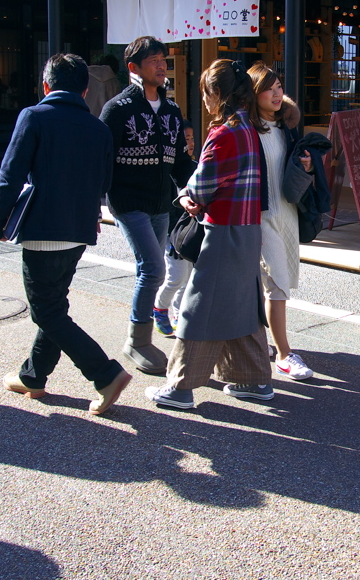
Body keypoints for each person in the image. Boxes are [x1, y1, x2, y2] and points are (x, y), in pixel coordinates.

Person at [0, 53, 131, 414]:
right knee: (54, 305)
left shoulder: (33, 116)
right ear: (84, 89)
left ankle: (105, 373)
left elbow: (11, 172)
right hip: (80, 230)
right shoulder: (99, 128)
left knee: (47, 312)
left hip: (42, 229)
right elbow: (105, 182)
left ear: (45, 85)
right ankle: (33, 376)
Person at [145, 59, 272, 410]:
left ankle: (180, 388)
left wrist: (185, 195)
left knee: (198, 307)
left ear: (217, 93)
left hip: (223, 230)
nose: (203, 99)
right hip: (247, 230)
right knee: (243, 306)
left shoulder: (224, 132)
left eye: (205, 92)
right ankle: (253, 380)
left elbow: (201, 188)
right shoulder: (248, 127)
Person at [100, 36, 193, 375]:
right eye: (153, 60)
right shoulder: (117, 109)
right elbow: (102, 159)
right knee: (153, 269)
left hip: (161, 205)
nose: (161, 64)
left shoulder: (171, 110)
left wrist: (194, 186)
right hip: (128, 203)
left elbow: (180, 160)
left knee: (149, 271)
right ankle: (137, 341)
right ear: (133, 68)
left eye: (162, 59)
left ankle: (141, 337)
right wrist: (94, 204)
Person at [248, 62, 313, 380]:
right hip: (260, 215)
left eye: (279, 87)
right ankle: (285, 354)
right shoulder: (246, 129)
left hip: (287, 212)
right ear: (254, 93)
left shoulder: (286, 126)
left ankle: (265, 342)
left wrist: (306, 165)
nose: (276, 94)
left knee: (275, 282)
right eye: (268, 88)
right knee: (276, 285)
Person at [154, 118, 195, 336]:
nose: (189, 143)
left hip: (192, 231)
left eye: (191, 138)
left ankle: (180, 314)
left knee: (188, 278)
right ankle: (160, 308)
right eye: (184, 138)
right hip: (173, 232)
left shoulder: (197, 166)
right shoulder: (168, 170)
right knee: (176, 277)